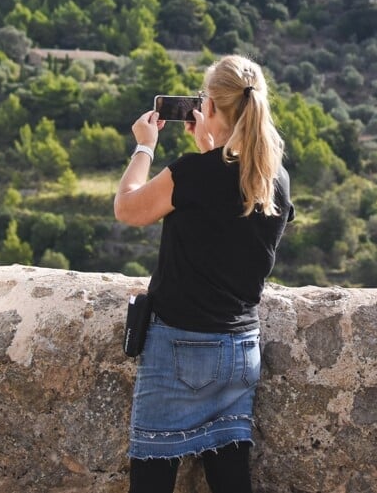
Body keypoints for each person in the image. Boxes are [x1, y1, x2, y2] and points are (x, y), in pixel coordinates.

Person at [114, 55, 294, 493]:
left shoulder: (192, 173)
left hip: (179, 347)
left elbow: (128, 207)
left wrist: (144, 146)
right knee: (231, 481)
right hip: (240, 348)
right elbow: (224, 206)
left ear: (209, 107)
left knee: (151, 482)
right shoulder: (275, 179)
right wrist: (208, 148)